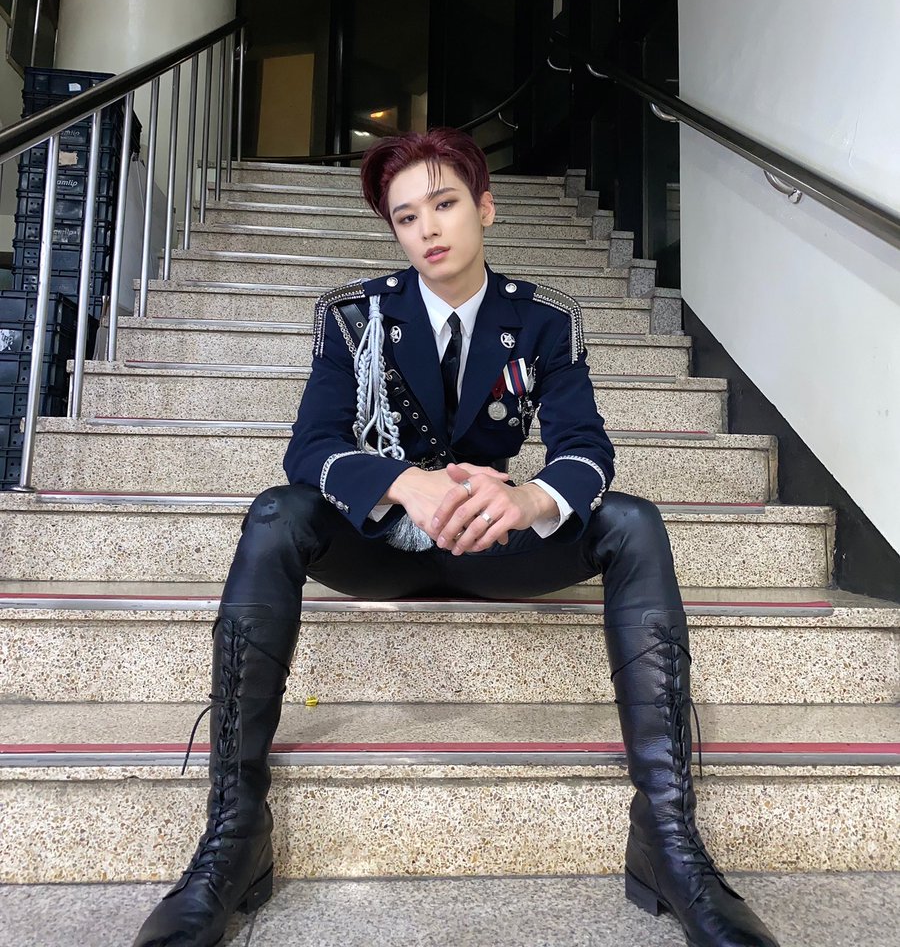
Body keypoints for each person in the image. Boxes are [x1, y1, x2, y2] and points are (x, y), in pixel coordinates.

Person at [133, 128, 779, 947]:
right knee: (275, 512)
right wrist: (405, 482)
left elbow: (587, 448)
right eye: (406, 217)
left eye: (444, 205)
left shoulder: (543, 320)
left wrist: (528, 498)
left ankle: (668, 836)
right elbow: (311, 448)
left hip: (491, 543)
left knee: (633, 520)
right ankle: (234, 830)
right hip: (380, 546)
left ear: (485, 208)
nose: (427, 229)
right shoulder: (354, 316)